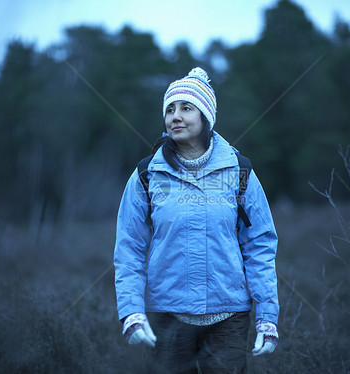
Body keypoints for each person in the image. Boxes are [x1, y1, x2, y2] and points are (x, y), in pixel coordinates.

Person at [114, 67, 279, 373]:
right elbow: (129, 249)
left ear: (206, 117)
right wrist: (132, 311)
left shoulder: (239, 172)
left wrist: (267, 316)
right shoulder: (147, 175)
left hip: (229, 317)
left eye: (186, 108)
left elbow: (259, 245)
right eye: (170, 109)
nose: (175, 116)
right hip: (167, 317)